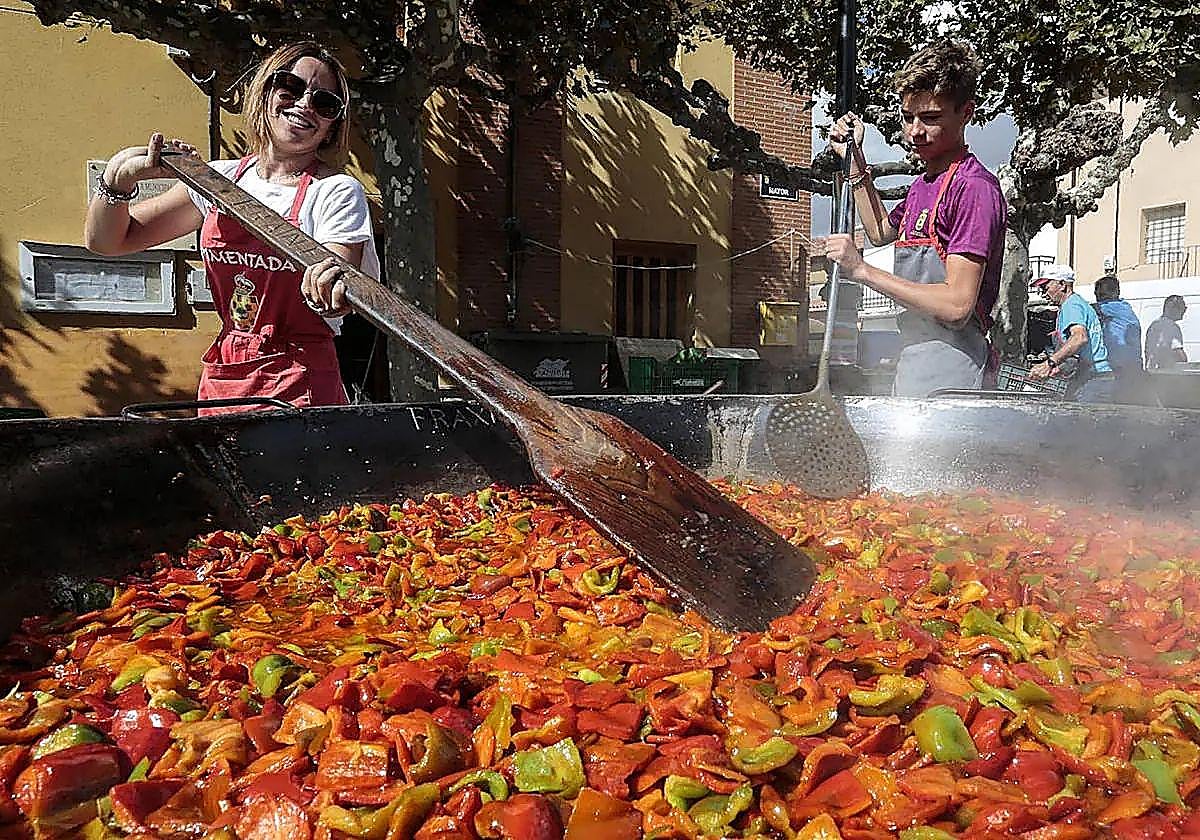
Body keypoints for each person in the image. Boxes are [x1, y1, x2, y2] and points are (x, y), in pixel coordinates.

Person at [85, 42, 380, 414]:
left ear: (331, 127)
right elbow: (106, 242)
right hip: (226, 372)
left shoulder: (336, 191)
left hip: (297, 380)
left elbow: (335, 295)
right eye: (291, 87)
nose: (305, 104)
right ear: (265, 92)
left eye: (324, 104)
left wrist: (331, 288)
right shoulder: (220, 180)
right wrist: (118, 178)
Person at [824, 40, 1007, 397]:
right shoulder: (923, 186)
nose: (914, 132)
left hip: (954, 374)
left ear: (966, 112)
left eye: (931, 118)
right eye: (908, 117)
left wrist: (861, 271)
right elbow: (878, 231)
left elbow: (956, 305)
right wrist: (855, 158)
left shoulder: (973, 189)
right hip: (912, 361)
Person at [1029, 264, 1114, 403]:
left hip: (1094, 380)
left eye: (1046, 287)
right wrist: (1058, 368)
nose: (1043, 292)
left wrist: (1049, 364)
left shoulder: (1071, 305)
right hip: (1094, 378)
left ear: (1062, 284)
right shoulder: (1074, 304)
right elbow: (1076, 353)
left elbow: (1079, 338)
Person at [1145, 295, 1189, 370]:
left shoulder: (1154, 325)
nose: (1184, 311)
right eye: (1181, 307)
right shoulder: (1171, 326)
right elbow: (1178, 353)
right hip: (1166, 373)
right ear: (1170, 308)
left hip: (1151, 371)